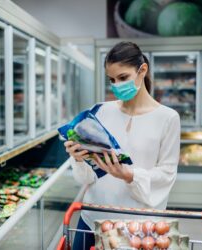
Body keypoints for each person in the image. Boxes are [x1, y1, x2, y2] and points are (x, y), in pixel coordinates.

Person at [64, 41, 181, 250]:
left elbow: (167, 174)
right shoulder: (99, 111)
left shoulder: (168, 118)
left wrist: (130, 175)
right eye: (112, 80)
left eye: (123, 77)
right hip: (92, 219)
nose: (117, 85)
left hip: (138, 226)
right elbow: (88, 177)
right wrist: (79, 158)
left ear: (142, 70)